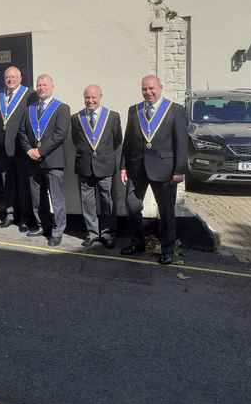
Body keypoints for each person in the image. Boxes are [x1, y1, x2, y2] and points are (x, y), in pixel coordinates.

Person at [120, 75, 188, 264]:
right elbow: (128, 141)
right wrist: (123, 166)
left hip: (165, 169)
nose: (148, 92)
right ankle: (138, 242)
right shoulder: (134, 111)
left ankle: (167, 248)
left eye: (151, 88)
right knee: (132, 205)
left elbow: (181, 143)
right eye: (144, 89)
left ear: (160, 88)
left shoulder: (176, 110)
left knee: (166, 211)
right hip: (136, 168)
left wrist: (179, 170)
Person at [19, 74, 71, 246]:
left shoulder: (62, 108)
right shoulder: (29, 109)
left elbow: (60, 134)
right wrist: (29, 151)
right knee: (37, 197)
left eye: (44, 85)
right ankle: (43, 225)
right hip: (33, 160)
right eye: (39, 85)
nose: (41, 88)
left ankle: (57, 231)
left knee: (56, 198)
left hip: (52, 160)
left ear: (52, 86)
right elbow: (22, 133)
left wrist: (40, 151)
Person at [70, 85, 122, 248]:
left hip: (105, 166)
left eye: (94, 97)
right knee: (87, 202)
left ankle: (107, 233)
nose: (90, 101)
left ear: (100, 97)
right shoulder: (76, 118)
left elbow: (117, 140)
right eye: (87, 97)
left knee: (108, 202)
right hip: (85, 166)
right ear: (83, 97)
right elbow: (75, 141)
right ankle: (92, 233)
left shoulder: (112, 117)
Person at [0, 66, 33, 230]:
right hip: (3, 149)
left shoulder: (29, 94)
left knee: (23, 185)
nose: (10, 80)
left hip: (21, 148)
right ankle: (9, 214)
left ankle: (24, 217)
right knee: (7, 183)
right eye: (7, 77)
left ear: (20, 78)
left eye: (14, 77)